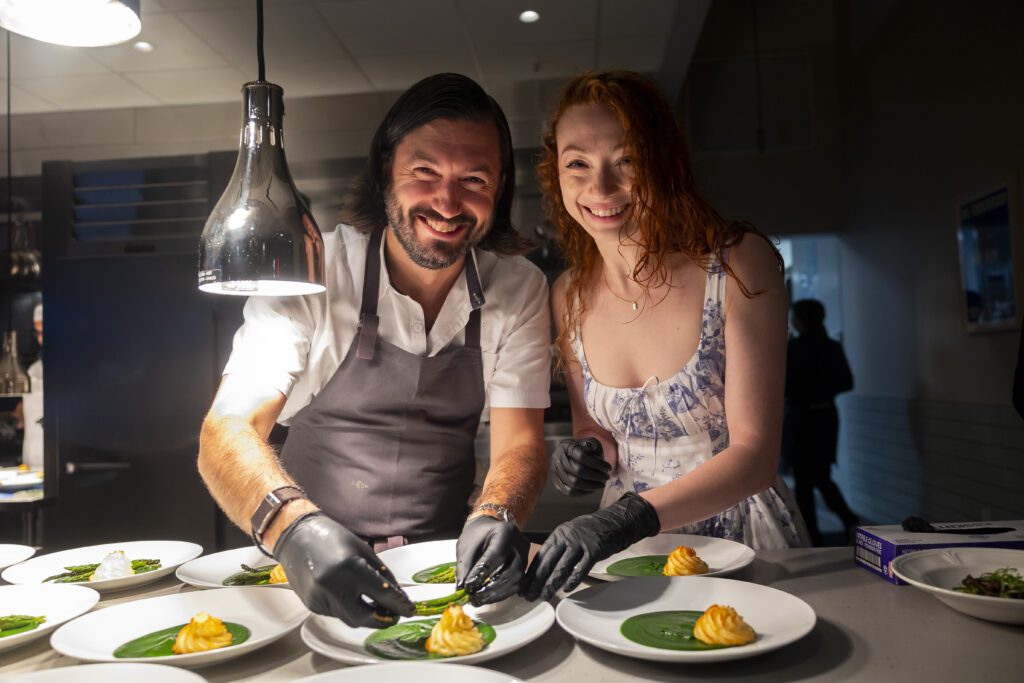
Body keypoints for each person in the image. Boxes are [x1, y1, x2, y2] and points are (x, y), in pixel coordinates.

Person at [198, 73, 551, 627]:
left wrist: (496, 513)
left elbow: (521, 443)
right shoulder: (317, 272)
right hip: (305, 568)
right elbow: (226, 431)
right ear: (386, 170)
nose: (448, 200)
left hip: (444, 573)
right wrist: (295, 530)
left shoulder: (519, 288)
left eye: (475, 178)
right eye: (425, 171)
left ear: (501, 188)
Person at [521, 71, 807, 602]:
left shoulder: (739, 264)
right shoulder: (568, 294)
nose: (600, 188)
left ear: (663, 161)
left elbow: (755, 453)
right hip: (629, 554)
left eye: (626, 161)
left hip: (739, 537)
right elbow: (596, 426)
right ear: (555, 174)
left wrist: (628, 517)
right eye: (577, 164)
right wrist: (585, 451)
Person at [784, 299, 858, 545]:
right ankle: (848, 521)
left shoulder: (792, 349)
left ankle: (814, 536)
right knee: (820, 475)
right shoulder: (832, 347)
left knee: (805, 481)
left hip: (801, 419)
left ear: (800, 320)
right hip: (826, 417)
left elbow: (783, 387)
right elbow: (847, 382)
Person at [14, 302, 43, 471]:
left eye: (44, 332)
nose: (41, 339)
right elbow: (27, 410)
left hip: (55, 461)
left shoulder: (70, 370)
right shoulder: (33, 369)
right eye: (38, 333)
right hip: (30, 460)